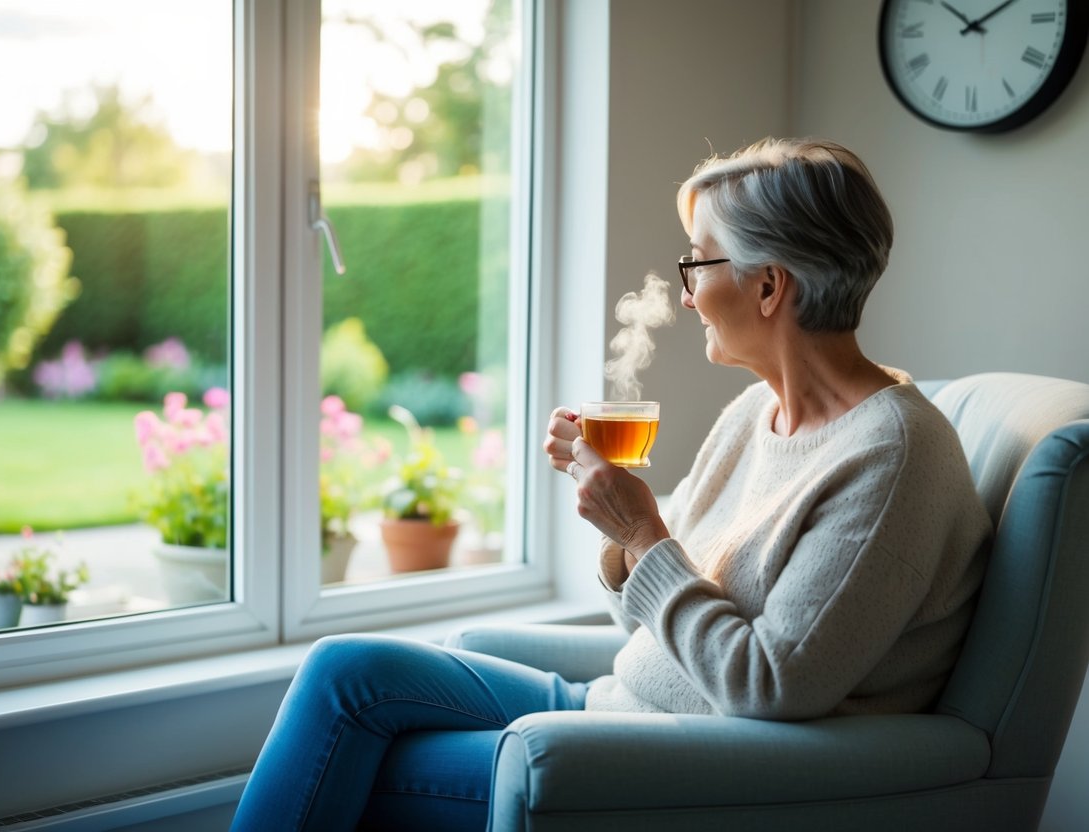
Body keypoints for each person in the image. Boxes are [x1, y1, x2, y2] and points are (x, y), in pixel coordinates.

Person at [229, 137, 992, 830]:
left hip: (675, 750)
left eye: (698, 263)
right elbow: (646, 616)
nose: (687, 294)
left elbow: (771, 684)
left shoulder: (892, 456)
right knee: (345, 673)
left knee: (363, 761)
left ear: (769, 287)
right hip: (612, 701)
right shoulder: (754, 413)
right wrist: (618, 537)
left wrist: (642, 532)